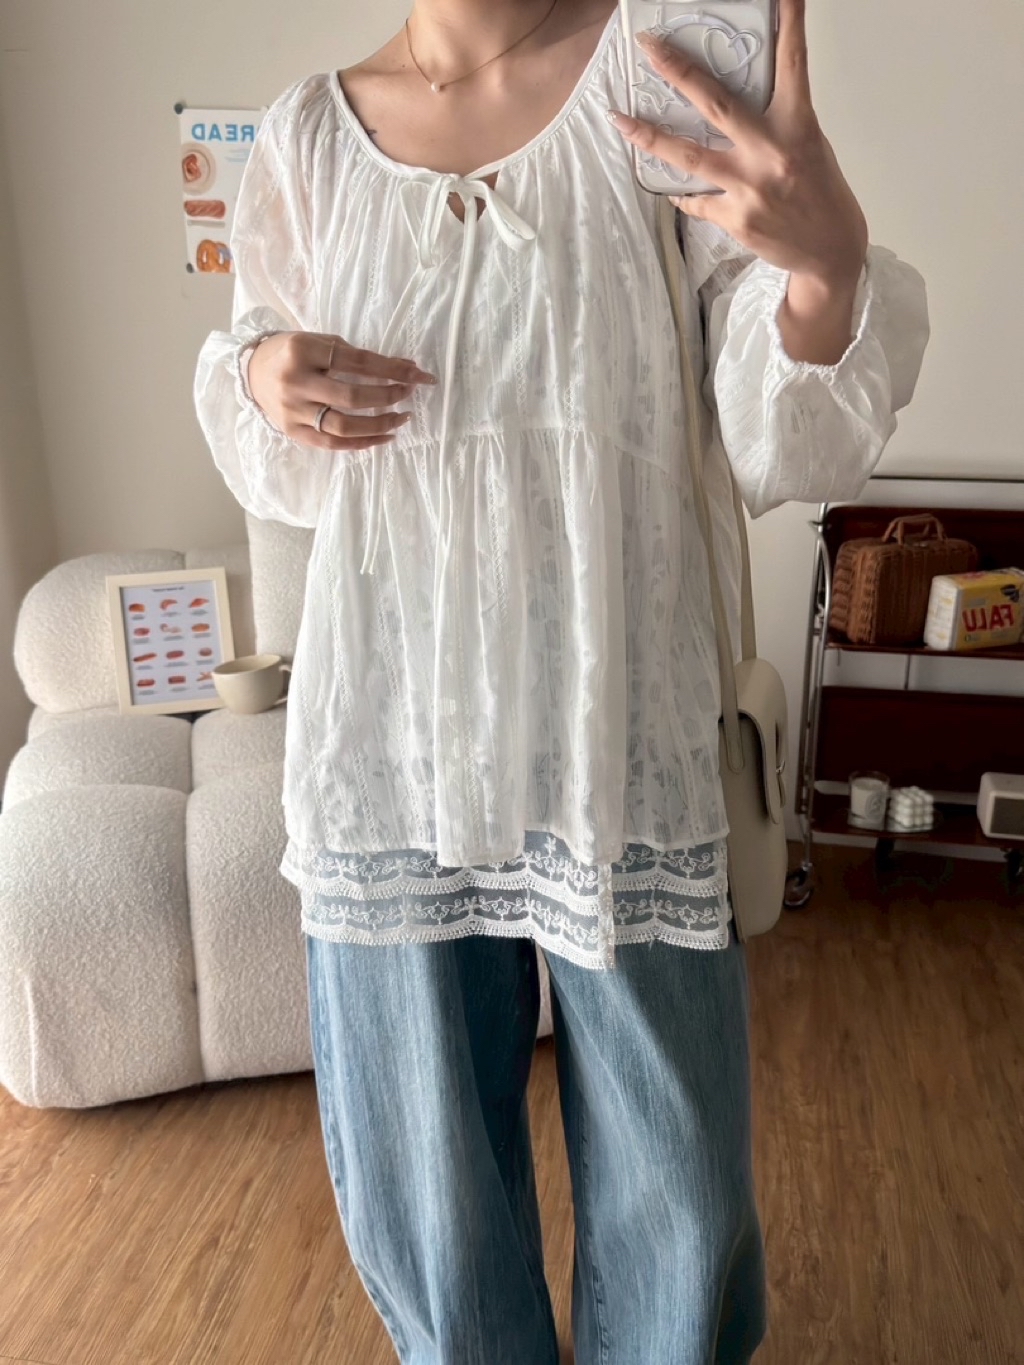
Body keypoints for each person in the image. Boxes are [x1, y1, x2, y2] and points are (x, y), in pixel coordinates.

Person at [193, 0, 929, 1359]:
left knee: (679, 1196)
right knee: (435, 1224)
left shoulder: (660, 66)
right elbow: (273, 434)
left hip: (620, 736)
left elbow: (779, 426)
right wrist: (261, 377)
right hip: (387, 747)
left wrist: (827, 272)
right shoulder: (307, 137)